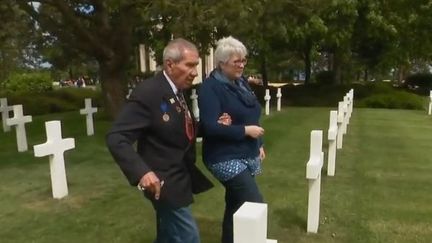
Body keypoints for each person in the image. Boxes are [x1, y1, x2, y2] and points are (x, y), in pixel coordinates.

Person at [106, 38, 214, 243]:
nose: (194, 72)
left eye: (196, 66)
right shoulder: (149, 93)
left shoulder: (177, 91)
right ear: (170, 64)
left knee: (168, 236)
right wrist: (142, 172)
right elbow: (116, 137)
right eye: (189, 65)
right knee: (188, 237)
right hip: (163, 182)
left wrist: (217, 127)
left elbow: (181, 129)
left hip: (179, 177)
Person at [198, 36, 266, 243]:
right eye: (236, 61)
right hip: (223, 156)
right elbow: (210, 127)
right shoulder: (210, 88)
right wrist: (245, 131)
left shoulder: (242, 83)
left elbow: (251, 115)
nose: (242, 65)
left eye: (243, 60)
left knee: (235, 205)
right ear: (221, 62)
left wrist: (259, 144)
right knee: (254, 204)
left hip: (247, 152)